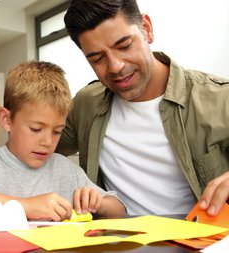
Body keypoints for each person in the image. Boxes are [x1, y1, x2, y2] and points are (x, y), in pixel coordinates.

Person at [56, 0, 229, 216]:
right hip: (116, 243)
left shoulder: (220, 99)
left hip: (200, 244)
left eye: (124, 46)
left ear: (146, 28)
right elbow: (32, 149)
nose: (116, 66)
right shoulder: (86, 104)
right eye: (97, 58)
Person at [0, 61, 126, 221]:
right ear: (6, 119)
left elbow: (119, 209)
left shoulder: (66, 170)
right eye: (36, 129)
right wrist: (25, 205)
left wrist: (98, 202)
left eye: (57, 131)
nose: (47, 141)